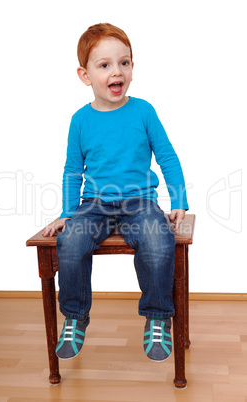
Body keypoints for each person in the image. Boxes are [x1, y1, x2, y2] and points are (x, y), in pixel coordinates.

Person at [42, 22, 189, 363]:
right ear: (85, 75)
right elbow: (72, 170)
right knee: (73, 241)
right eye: (104, 65)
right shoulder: (80, 120)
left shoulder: (144, 111)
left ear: (132, 68)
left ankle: (157, 316)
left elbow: (167, 157)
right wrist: (67, 212)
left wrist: (179, 200)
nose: (116, 71)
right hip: (94, 204)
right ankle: (75, 317)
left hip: (141, 203)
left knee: (157, 240)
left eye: (124, 62)